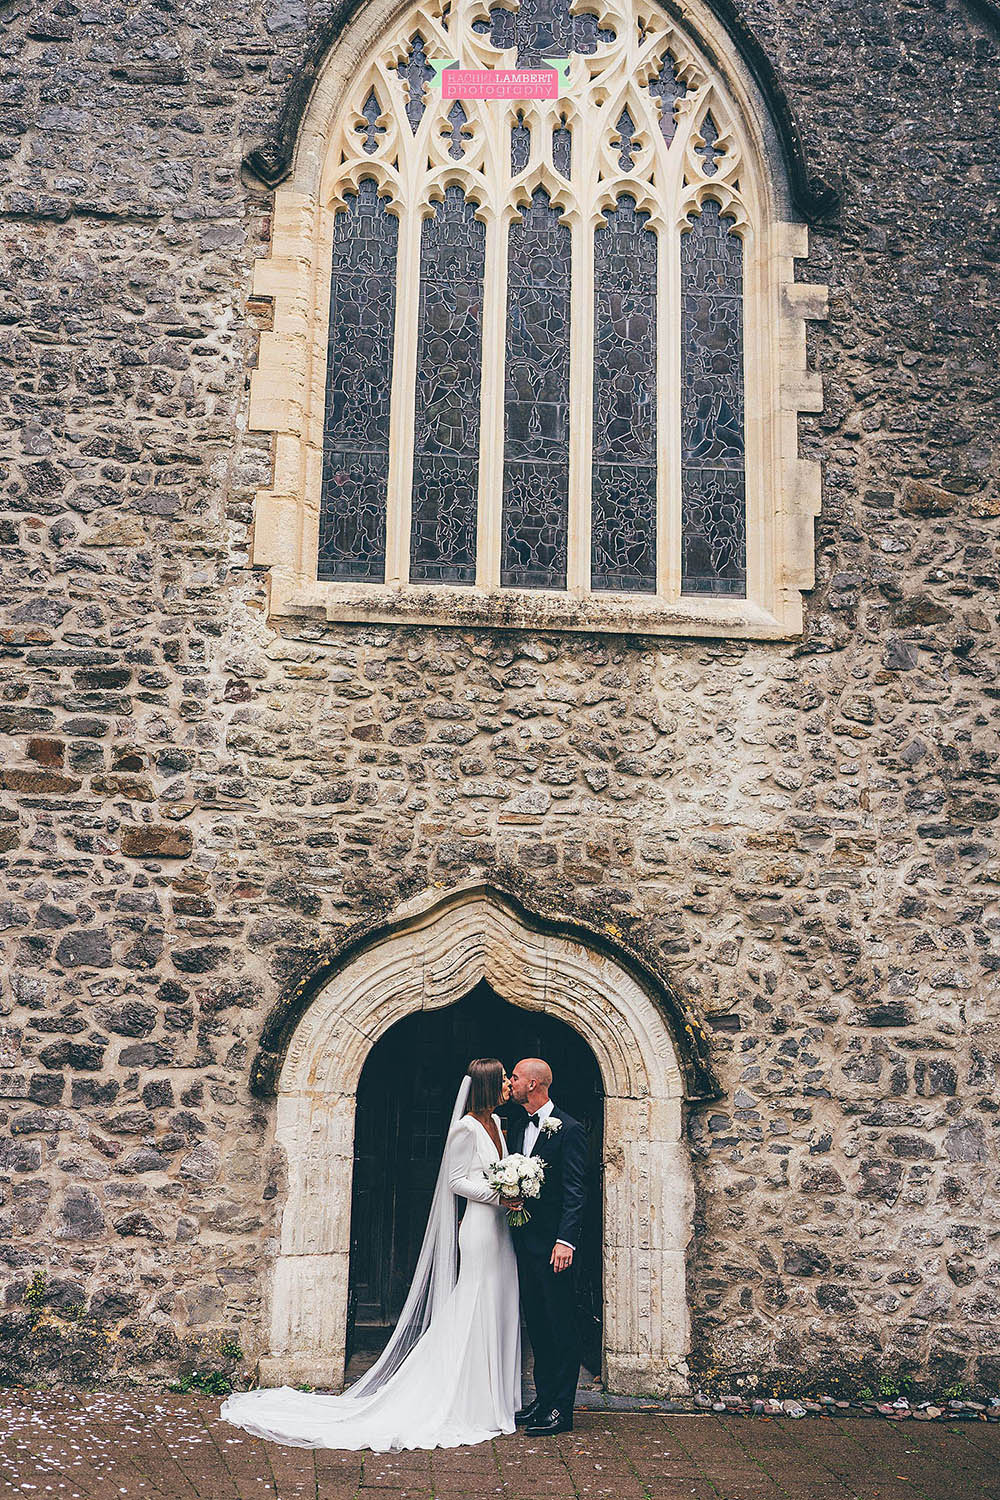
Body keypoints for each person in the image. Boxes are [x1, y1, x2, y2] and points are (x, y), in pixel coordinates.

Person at [220, 1059, 520, 1451]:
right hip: (480, 1227)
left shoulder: (497, 1125)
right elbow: (456, 1182)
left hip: (502, 1229)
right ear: (488, 1085)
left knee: (499, 1302)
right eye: (504, 1081)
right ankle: (467, 1397)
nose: (510, 1086)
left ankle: (496, 1398)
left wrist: (514, 1189)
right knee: (475, 1302)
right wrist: (499, 1194)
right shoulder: (464, 1127)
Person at [506, 1057, 588, 1436]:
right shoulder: (517, 1126)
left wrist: (565, 1240)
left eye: (517, 1077)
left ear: (535, 1084)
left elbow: (576, 1192)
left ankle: (562, 1410)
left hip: (555, 1248)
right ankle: (543, 1400)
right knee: (537, 1324)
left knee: (560, 1326)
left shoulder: (569, 1130)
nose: (511, 1082)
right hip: (525, 1243)